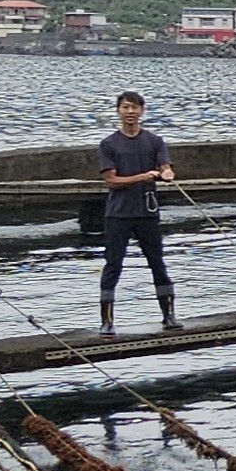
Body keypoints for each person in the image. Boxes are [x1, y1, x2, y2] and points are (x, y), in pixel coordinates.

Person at [97, 91, 180, 336]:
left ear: (142, 111)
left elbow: (165, 166)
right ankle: (107, 321)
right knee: (113, 264)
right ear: (118, 111)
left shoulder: (154, 141)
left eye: (135, 107)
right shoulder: (109, 144)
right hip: (118, 214)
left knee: (157, 263)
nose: (130, 112)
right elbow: (111, 181)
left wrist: (166, 174)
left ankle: (169, 315)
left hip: (148, 212)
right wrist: (142, 177)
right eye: (125, 107)